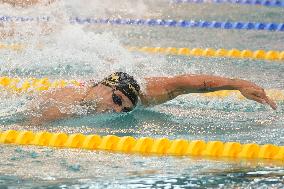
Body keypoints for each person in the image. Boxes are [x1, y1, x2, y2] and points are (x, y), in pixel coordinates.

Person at [29, 72, 277, 124]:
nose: (117, 112)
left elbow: (183, 84)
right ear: (103, 87)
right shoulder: (67, 104)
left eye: (124, 110)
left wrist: (240, 84)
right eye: (116, 102)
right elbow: (31, 126)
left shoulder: (142, 95)